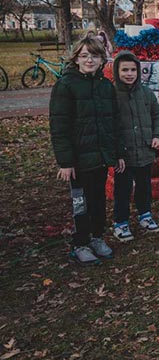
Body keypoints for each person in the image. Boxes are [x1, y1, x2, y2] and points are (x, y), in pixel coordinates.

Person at [49, 34, 124, 265]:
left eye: (94, 55)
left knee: (98, 199)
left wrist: (118, 152)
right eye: (84, 56)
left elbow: (114, 122)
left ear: (102, 59)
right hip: (79, 160)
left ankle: (97, 237)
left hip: (100, 157)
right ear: (76, 59)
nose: (89, 60)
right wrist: (65, 161)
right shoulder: (66, 85)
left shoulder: (105, 86)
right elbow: (59, 126)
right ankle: (80, 243)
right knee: (80, 203)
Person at [111, 51, 159, 242]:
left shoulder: (146, 93)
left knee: (144, 186)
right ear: (117, 71)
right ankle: (120, 222)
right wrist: (117, 151)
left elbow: (156, 116)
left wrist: (157, 135)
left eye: (133, 69)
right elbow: (109, 125)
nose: (129, 73)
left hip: (144, 149)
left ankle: (145, 214)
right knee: (123, 189)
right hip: (123, 154)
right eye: (125, 70)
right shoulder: (112, 95)